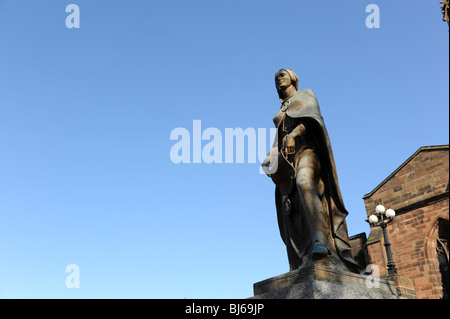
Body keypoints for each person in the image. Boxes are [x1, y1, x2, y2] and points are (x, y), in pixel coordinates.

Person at [262, 69, 363, 273]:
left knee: (304, 183)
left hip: (308, 150)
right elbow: (279, 137)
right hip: (286, 160)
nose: (278, 79)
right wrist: (270, 156)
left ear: (292, 77)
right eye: (275, 78)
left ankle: (321, 242)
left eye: (282, 74)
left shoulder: (306, 94)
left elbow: (313, 119)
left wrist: (294, 134)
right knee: (293, 207)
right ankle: (306, 252)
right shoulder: (281, 108)